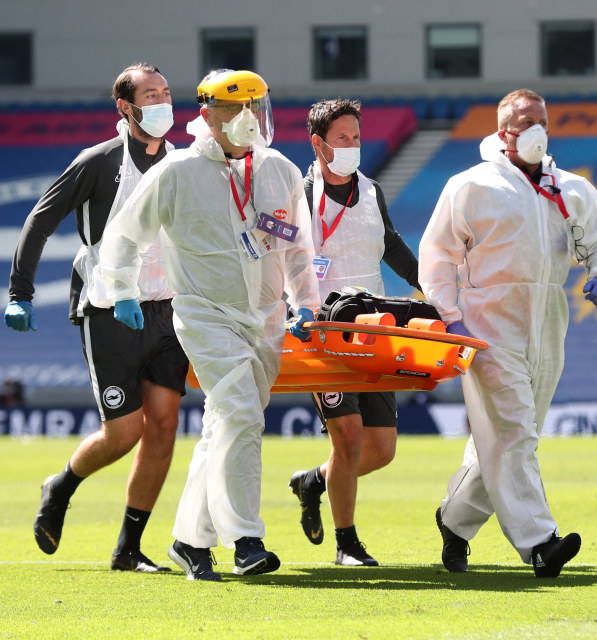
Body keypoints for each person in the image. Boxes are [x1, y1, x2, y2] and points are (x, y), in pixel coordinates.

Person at [97, 69, 320, 581]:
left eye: (255, 108)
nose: (248, 120)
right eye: (235, 109)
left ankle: (188, 541)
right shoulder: (176, 172)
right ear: (206, 114)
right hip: (204, 312)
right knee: (242, 413)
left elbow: (298, 249)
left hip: (265, 318)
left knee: (225, 424)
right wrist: (123, 291)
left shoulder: (280, 169)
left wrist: (305, 301)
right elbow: (125, 236)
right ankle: (245, 539)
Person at [418, 88, 597, 577]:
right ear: (502, 131)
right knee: (514, 431)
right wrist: (451, 316)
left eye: (542, 120)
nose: (536, 129)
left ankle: (454, 520)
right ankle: (540, 542)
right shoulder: (470, 186)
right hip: (488, 328)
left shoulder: (571, 189)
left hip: (548, 325)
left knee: (510, 436)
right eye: (525, 120)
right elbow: (438, 255)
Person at [4, 63, 189, 573]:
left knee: (165, 427)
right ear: (125, 108)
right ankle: (61, 484)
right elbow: (40, 219)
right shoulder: (98, 161)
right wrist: (20, 292)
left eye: (166, 93)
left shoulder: (181, 162)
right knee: (124, 432)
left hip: (169, 308)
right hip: (109, 307)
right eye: (150, 96)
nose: (162, 103)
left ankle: (128, 549)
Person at [288, 98, 421, 567]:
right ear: (317, 143)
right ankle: (348, 544)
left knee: (380, 450)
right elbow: (278, 257)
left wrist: (428, 283)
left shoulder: (371, 189)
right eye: (342, 138)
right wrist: (293, 308)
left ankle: (313, 482)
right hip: (322, 333)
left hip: (374, 332)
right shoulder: (298, 195)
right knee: (347, 438)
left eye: (357, 138)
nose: (352, 146)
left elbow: (391, 245)